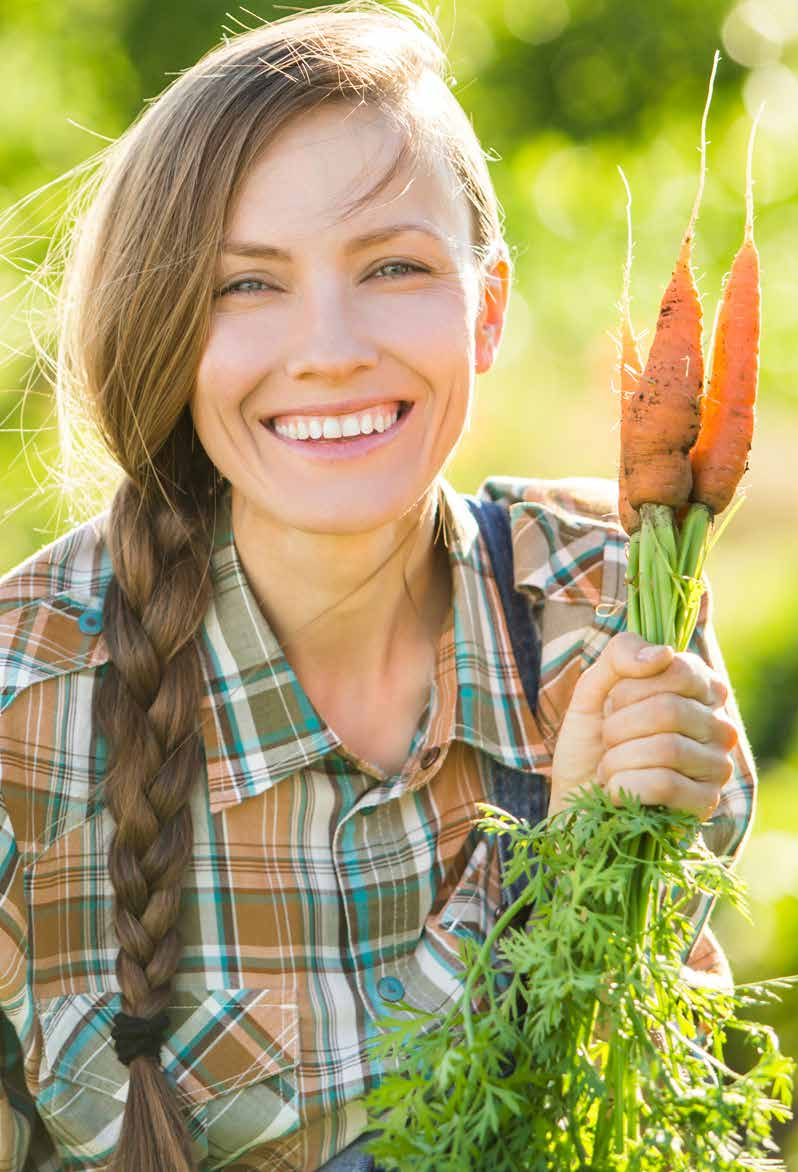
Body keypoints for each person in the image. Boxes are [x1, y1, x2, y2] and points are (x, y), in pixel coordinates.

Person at [0, 2, 755, 1169]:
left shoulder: (609, 609)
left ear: (487, 307)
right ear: (164, 329)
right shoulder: (24, 705)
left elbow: (643, 1103)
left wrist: (621, 845)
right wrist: (540, 871)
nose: (332, 345)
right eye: (247, 285)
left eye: (394, 265)